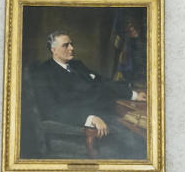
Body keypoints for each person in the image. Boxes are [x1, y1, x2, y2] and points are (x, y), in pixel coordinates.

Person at [29, 31, 147, 159]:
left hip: (107, 112)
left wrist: (133, 95)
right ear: (54, 50)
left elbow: (102, 82)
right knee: (136, 141)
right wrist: (89, 118)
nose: (72, 48)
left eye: (71, 44)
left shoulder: (77, 65)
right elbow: (52, 109)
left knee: (142, 131)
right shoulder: (43, 72)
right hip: (85, 123)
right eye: (66, 45)